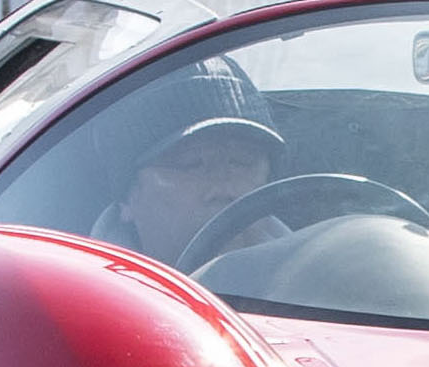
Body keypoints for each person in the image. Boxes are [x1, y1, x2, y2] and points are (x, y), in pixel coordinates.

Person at [87, 59, 288, 267]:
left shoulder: (313, 280)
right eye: (191, 164)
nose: (224, 190)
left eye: (242, 162)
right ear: (126, 200)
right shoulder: (77, 296)